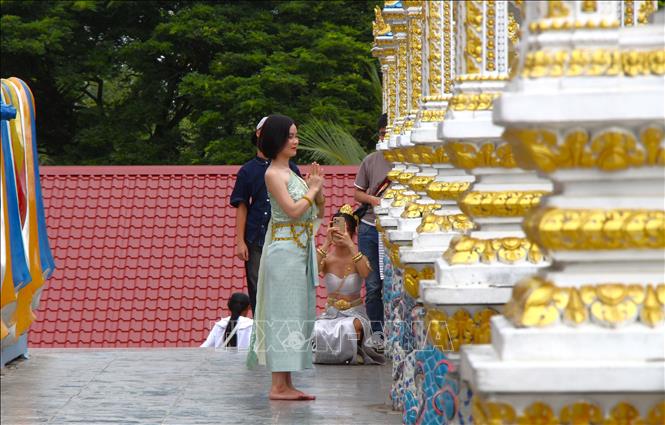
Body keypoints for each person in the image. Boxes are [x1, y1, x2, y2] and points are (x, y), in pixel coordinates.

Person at [246, 114, 325, 401]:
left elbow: (316, 212)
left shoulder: (292, 172)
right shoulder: (272, 174)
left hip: (299, 251)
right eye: (290, 136)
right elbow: (292, 211)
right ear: (277, 139)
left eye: (296, 135)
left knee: (296, 315)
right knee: (283, 316)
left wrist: (318, 190)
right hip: (283, 252)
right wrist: (312, 189)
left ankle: (286, 382)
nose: (296, 141)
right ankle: (277, 385)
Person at [230, 117, 301, 315]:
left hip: (282, 237)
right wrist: (240, 241)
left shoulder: (291, 168)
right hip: (256, 237)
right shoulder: (247, 171)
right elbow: (242, 205)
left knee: (283, 285)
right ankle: (262, 330)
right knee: (257, 287)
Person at [313, 205, 385, 365]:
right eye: (336, 228)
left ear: (352, 232)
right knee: (316, 328)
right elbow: (313, 271)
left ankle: (354, 350)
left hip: (354, 313)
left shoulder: (359, 257)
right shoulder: (328, 259)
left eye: (344, 230)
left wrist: (351, 245)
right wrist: (326, 243)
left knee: (352, 327)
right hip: (331, 313)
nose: (339, 234)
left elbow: (366, 273)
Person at [353, 113, 392, 336]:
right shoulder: (371, 160)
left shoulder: (409, 159)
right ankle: (376, 333)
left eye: (387, 133)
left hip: (395, 228)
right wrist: (374, 200)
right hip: (370, 226)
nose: (383, 137)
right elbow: (357, 193)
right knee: (373, 284)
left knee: (394, 284)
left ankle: (394, 330)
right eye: (381, 133)